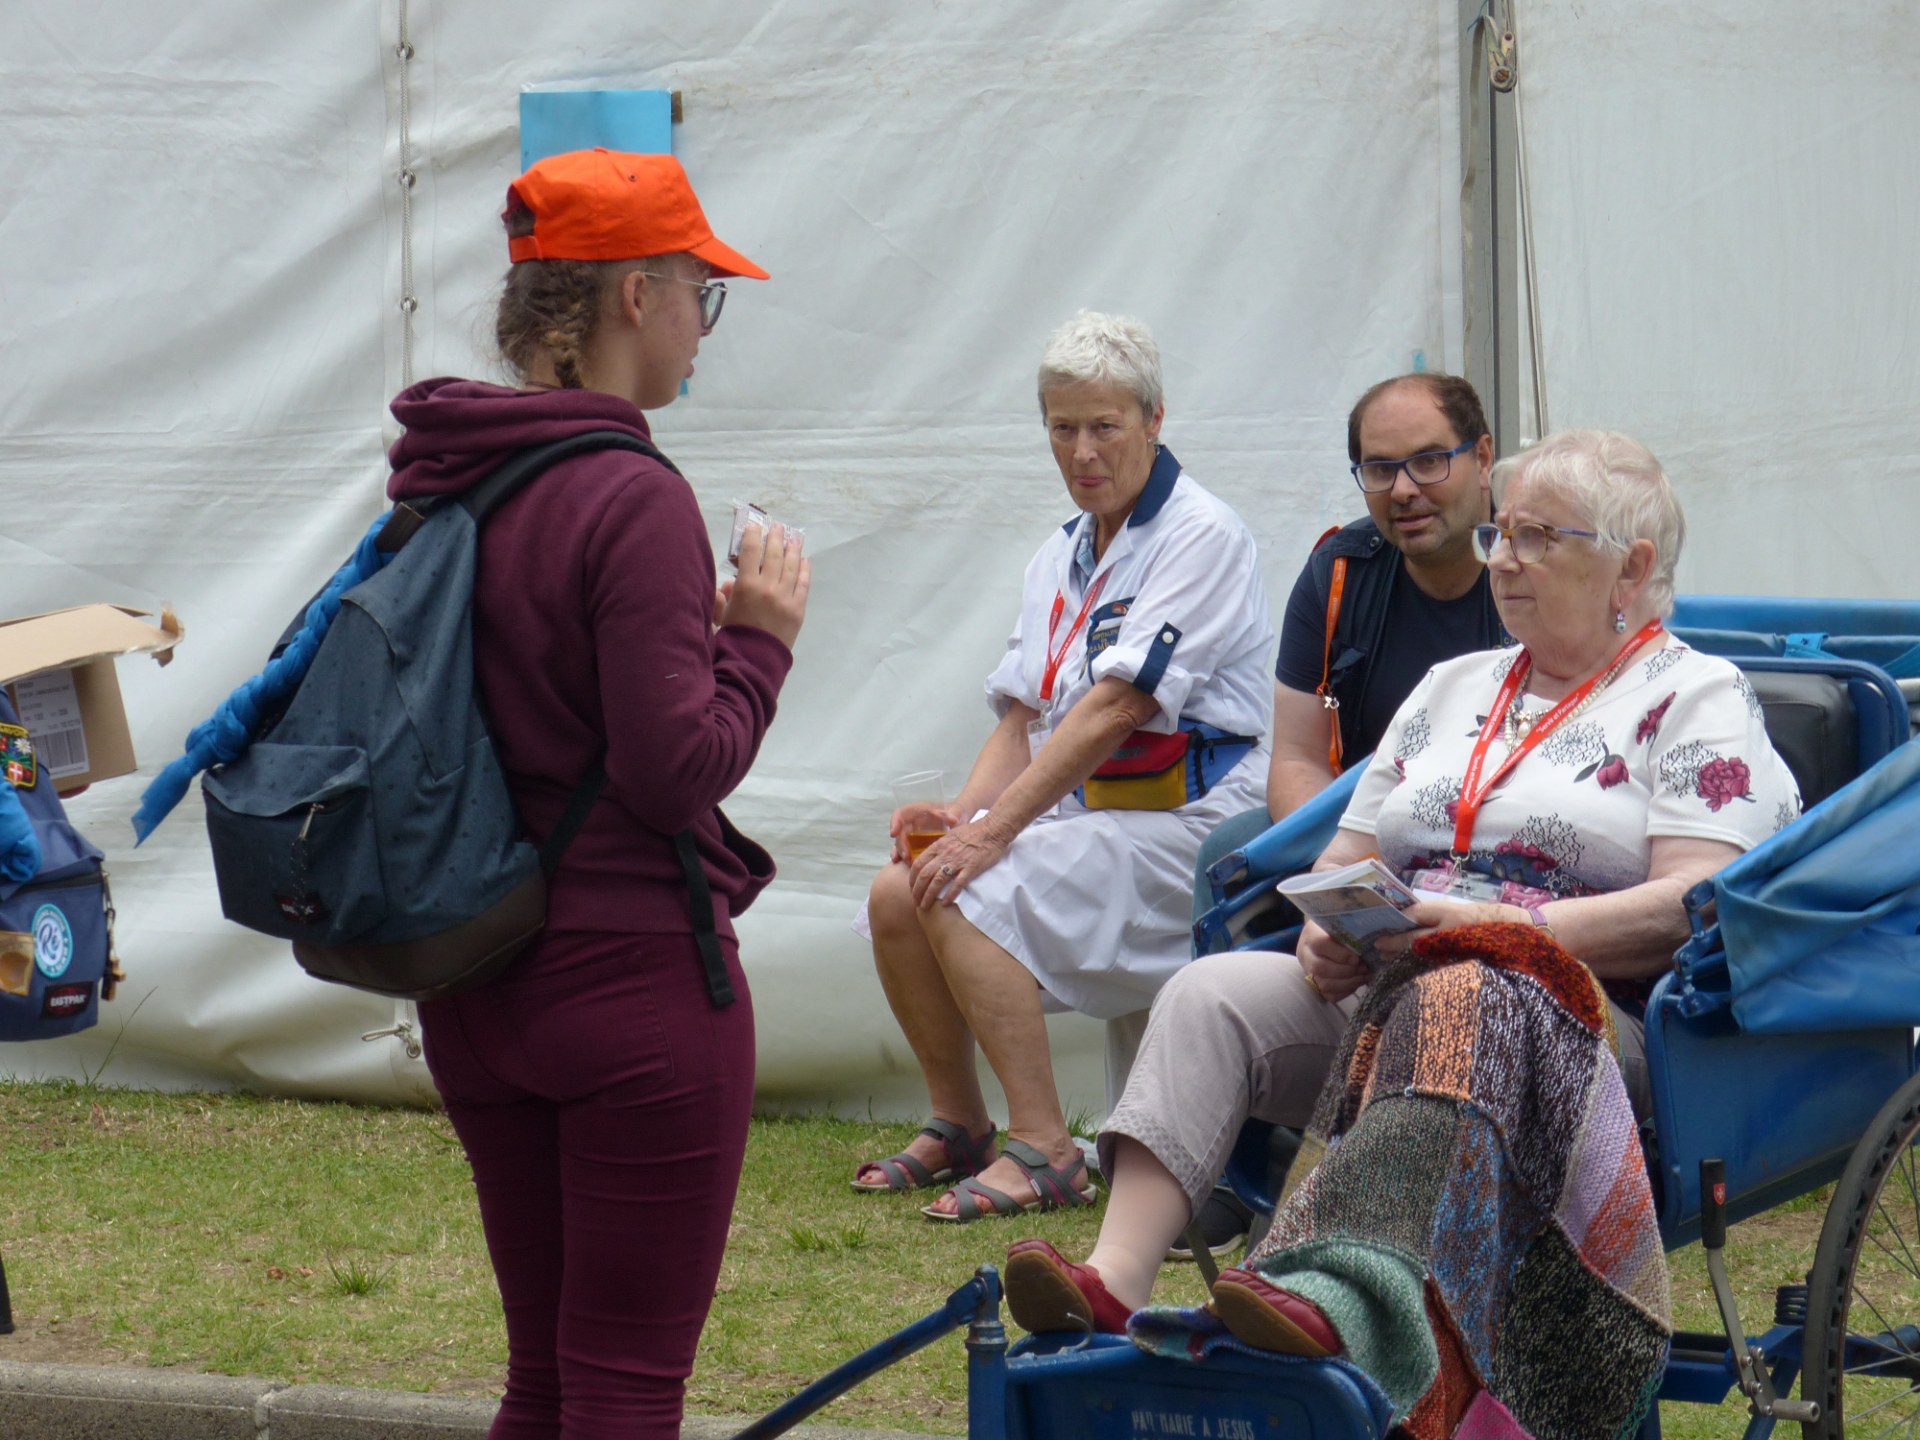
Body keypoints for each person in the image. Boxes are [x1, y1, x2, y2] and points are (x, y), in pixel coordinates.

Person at [1007, 430, 1797, 1435]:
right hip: (1397, 982)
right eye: (1499, 534)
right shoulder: (1455, 688)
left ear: (1630, 568)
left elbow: (1688, 904)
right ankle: (1114, 1280)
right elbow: (1344, 854)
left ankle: (1346, 1288)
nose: (1501, 559)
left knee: (1468, 984)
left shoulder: (1697, 700)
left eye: (1537, 537)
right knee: (1210, 993)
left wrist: (1492, 925)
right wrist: (1326, 928)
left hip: (1588, 1031)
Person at [386, 149, 808, 1439]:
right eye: (700, 292)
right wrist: (763, 638)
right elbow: (670, 767)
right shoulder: (632, 495)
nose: (701, 328)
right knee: (625, 1390)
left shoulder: (447, 474)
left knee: (546, 1382)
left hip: (474, 981)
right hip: (630, 989)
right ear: (635, 296)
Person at [856, 310, 1274, 1222]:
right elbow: (1022, 716)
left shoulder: (1203, 532)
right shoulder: (1062, 549)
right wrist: (961, 816)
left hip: (1197, 824)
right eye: (1061, 428)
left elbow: (1120, 707)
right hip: (1098, 813)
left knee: (967, 887)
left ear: (1155, 419)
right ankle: (960, 1121)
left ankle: (1046, 1147)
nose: (1082, 451)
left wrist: (994, 836)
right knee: (902, 889)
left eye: (1104, 427)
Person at [1181, 372, 1505, 1258]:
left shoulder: (1534, 570)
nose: (1404, 490)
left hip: (1489, 855)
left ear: (1484, 458)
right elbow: (1291, 754)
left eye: (1430, 462)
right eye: (1379, 468)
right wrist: (1333, 872)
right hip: (1364, 827)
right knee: (1234, 853)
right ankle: (1241, 1155)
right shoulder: (1339, 572)